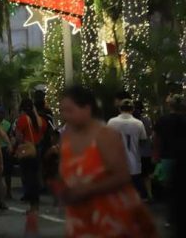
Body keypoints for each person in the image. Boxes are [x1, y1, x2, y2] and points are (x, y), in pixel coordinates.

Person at [58, 86, 158, 237]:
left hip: (109, 213)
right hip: (80, 214)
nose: (66, 115)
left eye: (70, 110)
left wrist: (87, 189)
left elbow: (122, 176)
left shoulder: (104, 135)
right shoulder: (67, 137)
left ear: (87, 108)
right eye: (63, 111)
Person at [154, 93, 186, 237]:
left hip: (167, 157)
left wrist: (156, 155)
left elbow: (156, 139)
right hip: (183, 157)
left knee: (170, 190)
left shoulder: (163, 120)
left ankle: (171, 218)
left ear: (170, 105)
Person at [107, 98, 147, 195]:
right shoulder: (139, 123)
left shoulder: (111, 122)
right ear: (132, 109)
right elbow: (143, 142)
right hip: (134, 165)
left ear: (119, 109)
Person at [15, 98, 46, 212]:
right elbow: (42, 135)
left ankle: (32, 206)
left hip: (27, 150)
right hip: (37, 149)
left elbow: (18, 136)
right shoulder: (41, 121)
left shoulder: (22, 120)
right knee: (35, 177)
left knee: (28, 178)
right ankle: (35, 204)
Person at [133, 100, 154, 201]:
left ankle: (140, 196)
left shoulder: (133, 122)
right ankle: (149, 194)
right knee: (146, 175)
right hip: (146, 151)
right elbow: (150, 133)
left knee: (137, 175)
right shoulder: (146, 120)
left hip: (136, 153)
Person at [0, 106, 13, 200]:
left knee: (7, 171)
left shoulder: (8, 124)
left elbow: (10, 136)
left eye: (0, 113)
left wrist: (10, 145)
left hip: (5, 148)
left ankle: (9, 191)